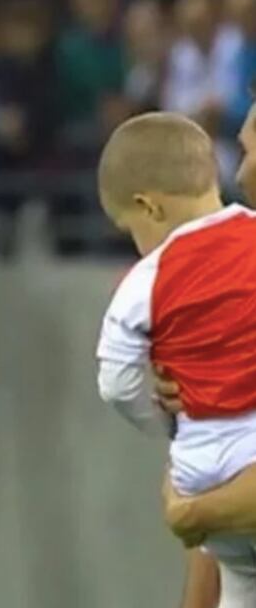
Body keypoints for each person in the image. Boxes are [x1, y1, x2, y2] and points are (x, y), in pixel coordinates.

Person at [96, 111, 256, 606]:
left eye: (249, 152)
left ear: (148, 207)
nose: (241, 173)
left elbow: (115, 383)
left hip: (201, 474)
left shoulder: (148, 278)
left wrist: (192, 504)